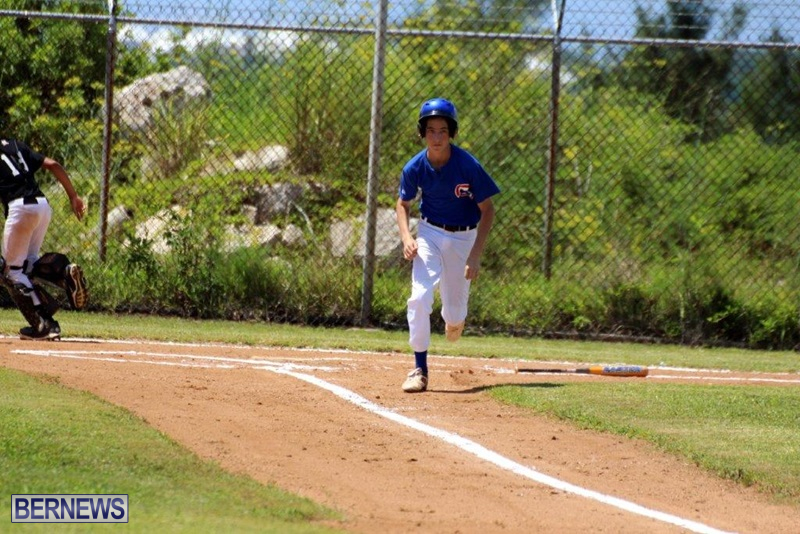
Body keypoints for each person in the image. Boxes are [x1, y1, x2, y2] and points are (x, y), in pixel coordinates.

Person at [395, 98, 500, 393]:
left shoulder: (468, 166)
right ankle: (419, 369)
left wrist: (475, 255)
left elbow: (488, 210)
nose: (437, 137)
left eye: (443, 130)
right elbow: (402, 204)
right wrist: (407, 238)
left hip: (463, 238)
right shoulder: (415, 167)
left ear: (451, 133)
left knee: (454, 315)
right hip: (429, 232)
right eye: (431, 130)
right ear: (422, 133)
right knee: (419, 297)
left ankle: (454, 319)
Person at [0, 137, 88, 340]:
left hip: (19, 209)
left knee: (12, 273)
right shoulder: (14, 145)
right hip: (41, 206)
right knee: (27, 265)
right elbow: (53, 164)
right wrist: (73, 196)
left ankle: (45, 325)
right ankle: (62, 272)